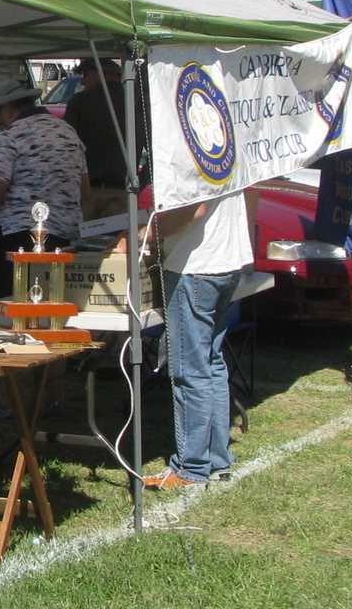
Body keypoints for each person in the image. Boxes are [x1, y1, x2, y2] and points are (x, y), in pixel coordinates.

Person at [143, 190, 254, 490]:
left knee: (189, 370)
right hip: (227, 260)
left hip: (196, 265)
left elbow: (194, 208)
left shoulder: (186, 143)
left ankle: (191, 468)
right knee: (210, 363)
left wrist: (145, 235)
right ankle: (217, 461)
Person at [0, 78, 89, 248]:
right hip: (67, 239)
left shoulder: (11, 137)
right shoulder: (69, 132)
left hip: (20, 238)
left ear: (8, 108)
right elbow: (85, 193)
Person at [62, 58, 143, 219]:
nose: (83, 82)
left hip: (89, 192)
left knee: (87, 242)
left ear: (100, 74)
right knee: (120, 241)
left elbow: (67, 146)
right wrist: (142, 182)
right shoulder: (134, 101)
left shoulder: (80, 102)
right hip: (124, 191)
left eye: (86, 75)